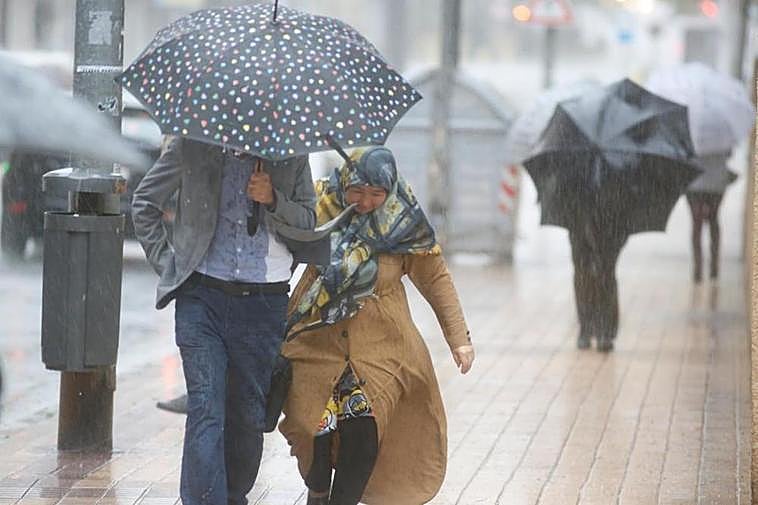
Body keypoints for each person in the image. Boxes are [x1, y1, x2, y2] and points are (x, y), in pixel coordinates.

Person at [278, 146, 475, 505]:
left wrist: (458, 338)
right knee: (312, 430)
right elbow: (280, 259)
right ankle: (318, 486)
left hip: (381, 343)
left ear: (390, 190)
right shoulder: (317, 208)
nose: (365, 202)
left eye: (376, 194)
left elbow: (435, 279)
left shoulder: (405, 222)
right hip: (315, 337)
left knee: (364, 434)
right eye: (357, 191)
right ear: (344, 184)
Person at [131, 136, 317, 505]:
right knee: (206, 408)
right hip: (202, 298)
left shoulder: (290, 156)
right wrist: (172, 268)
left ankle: (233, 497)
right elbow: (144, 204)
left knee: (247, 416)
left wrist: (273, 200)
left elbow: (309, 225)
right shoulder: (191, 145)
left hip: (263, 302)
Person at [569, 214, 628, 352]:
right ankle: (586, 327)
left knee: (605, 273)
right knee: (583, 275)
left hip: (611, 221)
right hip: (578, 219)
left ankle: (605, 330)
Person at [685, 151, 735, 283]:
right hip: (716, 180)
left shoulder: (690, 131)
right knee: (713, 220)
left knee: (697, 223)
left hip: (694, 180)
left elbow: (684, 152)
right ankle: (713, 266)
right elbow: (729, 153)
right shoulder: (723, 131)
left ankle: (698, 268)